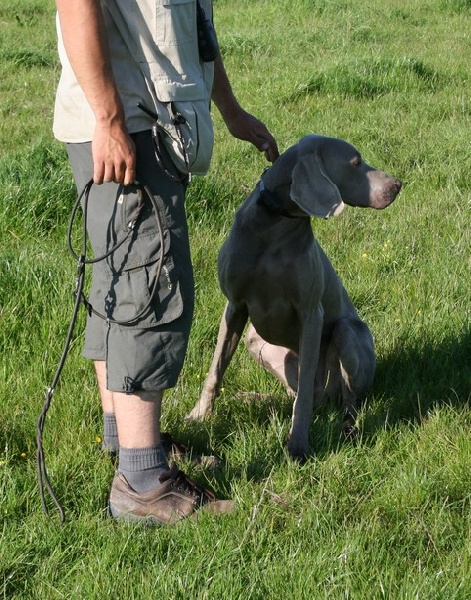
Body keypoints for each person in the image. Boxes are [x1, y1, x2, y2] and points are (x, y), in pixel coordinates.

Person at [53, 0, 279, 525]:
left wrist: (230, 109)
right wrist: (108, 118)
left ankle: (125, 440)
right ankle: (143, 483)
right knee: (149, 286)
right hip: (127, 120)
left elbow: (192, 25)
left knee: (120, 280)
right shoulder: (117, 119)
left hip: (139, 117)